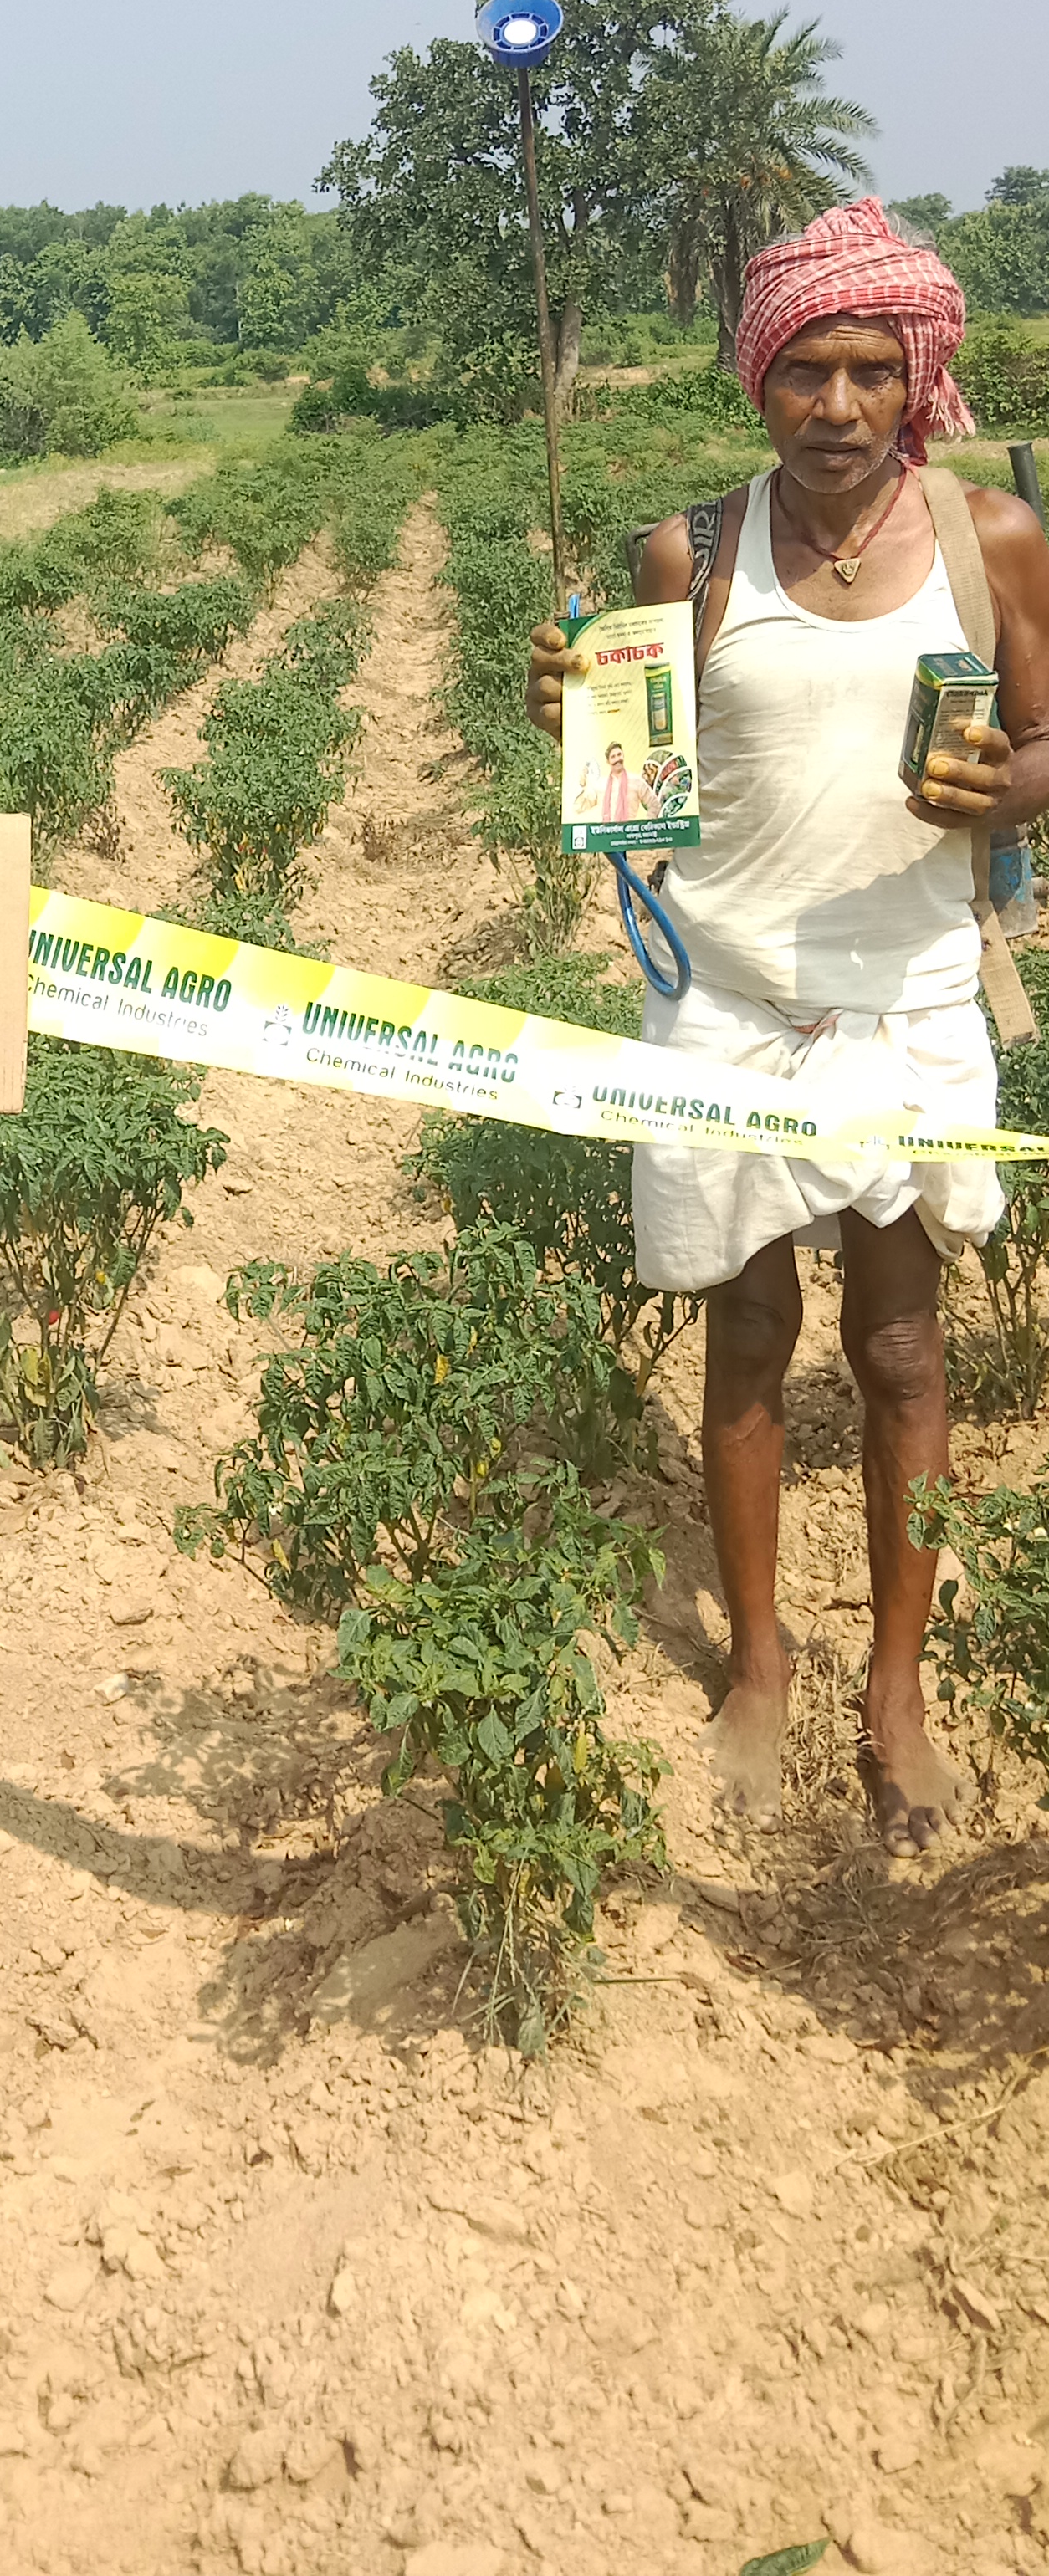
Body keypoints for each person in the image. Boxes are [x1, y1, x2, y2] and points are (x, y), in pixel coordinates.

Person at [529, 198, 1049, 1853]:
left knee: (899, 1346)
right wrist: (576, 718)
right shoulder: (688, 556)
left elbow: (1045, 741)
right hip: (729, 992)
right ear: (757, 381)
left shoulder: (990, 541)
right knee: (748, 1332)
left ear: (915, 379)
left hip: (909, 990)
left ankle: (895, 1687)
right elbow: (632, 797)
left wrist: (999, 787)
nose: (837, 407)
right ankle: (758, 1662)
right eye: (804, 373)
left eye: (870, 372)